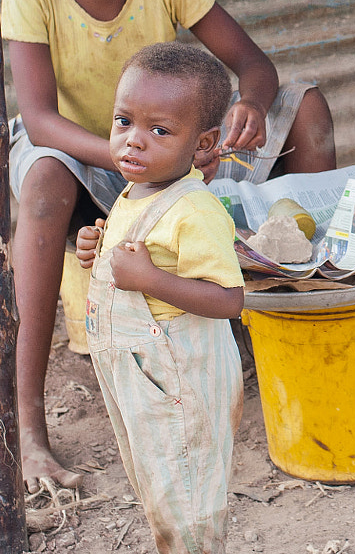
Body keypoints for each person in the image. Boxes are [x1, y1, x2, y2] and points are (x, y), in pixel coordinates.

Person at [1, 0, 336, 491]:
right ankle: (29, 428)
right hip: (81, 152)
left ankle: (294, 331)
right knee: (42, 179)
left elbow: (254, 65)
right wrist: (144, 156)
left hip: (168, 153)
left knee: (307, 106)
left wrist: (250, 107)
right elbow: (40, 121)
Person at [75, 44, 245, 554]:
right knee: (162, 489)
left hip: (179, 379)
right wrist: (97, 251)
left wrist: (149, 279)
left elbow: (229, 300)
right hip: (138, 376)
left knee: (188, 497)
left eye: (160, 130)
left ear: (203, 144)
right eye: (124, 121)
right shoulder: (135, 191)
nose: (133, 141)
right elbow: (136, 258)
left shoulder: (195, 209)